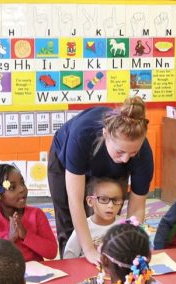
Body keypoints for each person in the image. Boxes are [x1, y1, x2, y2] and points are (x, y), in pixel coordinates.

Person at [49, 96, 154, 264]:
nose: (126, 158)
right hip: (66, 162)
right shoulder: (82, 136)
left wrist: (129, 248)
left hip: (111, 168)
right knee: (70, 227)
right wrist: (89, 250)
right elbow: (75, 201)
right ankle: (71, 269)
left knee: (108, 215)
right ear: (106, 134)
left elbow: (137, 209)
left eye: (133, 153)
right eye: (121, 151)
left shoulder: (143, 155)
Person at [0, 163, 57, 262]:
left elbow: (52, 252)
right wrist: (10, 239)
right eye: (12, 187)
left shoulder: (36, 214)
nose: (22, 189)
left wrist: (25, 235)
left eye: (22, 183)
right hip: (4, 276)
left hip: (37, 275)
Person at [63, 177, 123, 259]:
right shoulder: (83, 226)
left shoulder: (124, 224)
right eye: (103, 199)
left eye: (115, 200)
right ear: (90, 201)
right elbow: (69, 256)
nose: (110, 205)